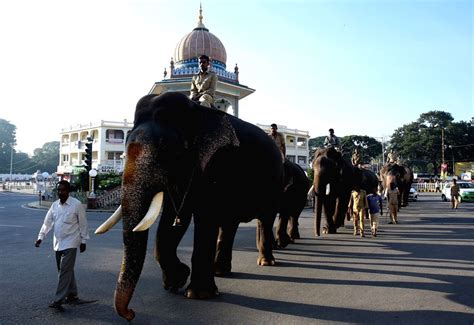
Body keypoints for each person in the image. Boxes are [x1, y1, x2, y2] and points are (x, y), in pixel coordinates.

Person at [35, 180, 89, 311]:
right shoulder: (54, 206)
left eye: (63, 190)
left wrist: (83, 241)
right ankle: (72, 294)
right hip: (58, 243)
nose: (60, 192)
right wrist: (40, 237)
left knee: (64, 271)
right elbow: (47, 223)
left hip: (71, 242)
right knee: (64, 270)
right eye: (59, 190)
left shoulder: (76, 205)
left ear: (68, 191)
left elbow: (83, 224)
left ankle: (58, 300)